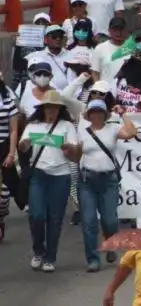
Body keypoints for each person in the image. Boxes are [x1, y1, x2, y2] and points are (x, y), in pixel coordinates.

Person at [18, 90, 81, 272]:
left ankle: (50, 257)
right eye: (48, 108)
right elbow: (22, 148)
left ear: (60, 109)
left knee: (55, 218)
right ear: (43, 109)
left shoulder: (67, 126)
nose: (51, 111)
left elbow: (76, 157)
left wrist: (69, 148)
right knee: (36, 215)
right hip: (39, 174)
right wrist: (25, 144)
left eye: (55, 108)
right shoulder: (33, 126)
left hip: (61, 177)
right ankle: (38, 250)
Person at [77, 101, 136, 271]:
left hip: (108, 180)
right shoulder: (81, 131)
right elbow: (74, 153)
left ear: (105, 114)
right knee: (88, 221)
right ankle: (92, 259)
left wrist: (123, 113)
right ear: (89, 114)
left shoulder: (112, 129)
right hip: (87, 180)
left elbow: (132, 132)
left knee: (110, 220)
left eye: (100, 112)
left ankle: (110, 243)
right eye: (93, 112)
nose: (96, 115)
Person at [0, 74, 19, 242]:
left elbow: (14, 130)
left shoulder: (8, 102)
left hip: (4, 146)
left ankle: (1, 218)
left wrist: (11, 153)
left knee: (4, 193)